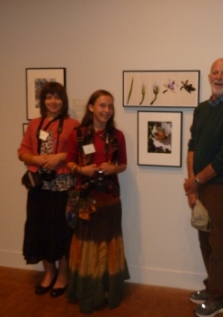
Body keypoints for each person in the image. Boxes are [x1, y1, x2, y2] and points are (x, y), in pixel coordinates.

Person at [184, 58, 223, 317]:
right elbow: (192, 146)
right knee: (205, 241)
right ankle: (212, 287)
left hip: (221, 188)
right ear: (209, 76)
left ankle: (220, 297)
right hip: (200, 187)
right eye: (216, 73)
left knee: (220, 244)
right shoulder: (201, 109)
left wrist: (197, 181)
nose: (220, 77)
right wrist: (192, 185)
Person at [66, 90, 129, 314]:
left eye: (110, 106)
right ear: (91, 107)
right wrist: (82, 169)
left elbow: (123, 164)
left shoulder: (117, 136)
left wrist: (114, 168)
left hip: (110, 199)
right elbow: (69, 162)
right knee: (87, 246)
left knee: (109, 244)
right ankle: (88, 291)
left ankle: (107, 290)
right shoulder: (78, 134)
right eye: (102, 105)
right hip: (85, 199)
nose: (106, 110)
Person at [18, 82, 80, 297]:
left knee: (61, 232)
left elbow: (79, 151)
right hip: (38, 187)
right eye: (48, 97)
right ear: (43, 101)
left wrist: (59, 158)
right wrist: (35, 158)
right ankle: (48, 273)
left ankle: (63, 276)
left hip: (63, 186)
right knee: (40, 230)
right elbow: (22, 151)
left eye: (57, 97)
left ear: (63, 101)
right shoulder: (35, 124)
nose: (53, 102)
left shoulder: (73, 124)